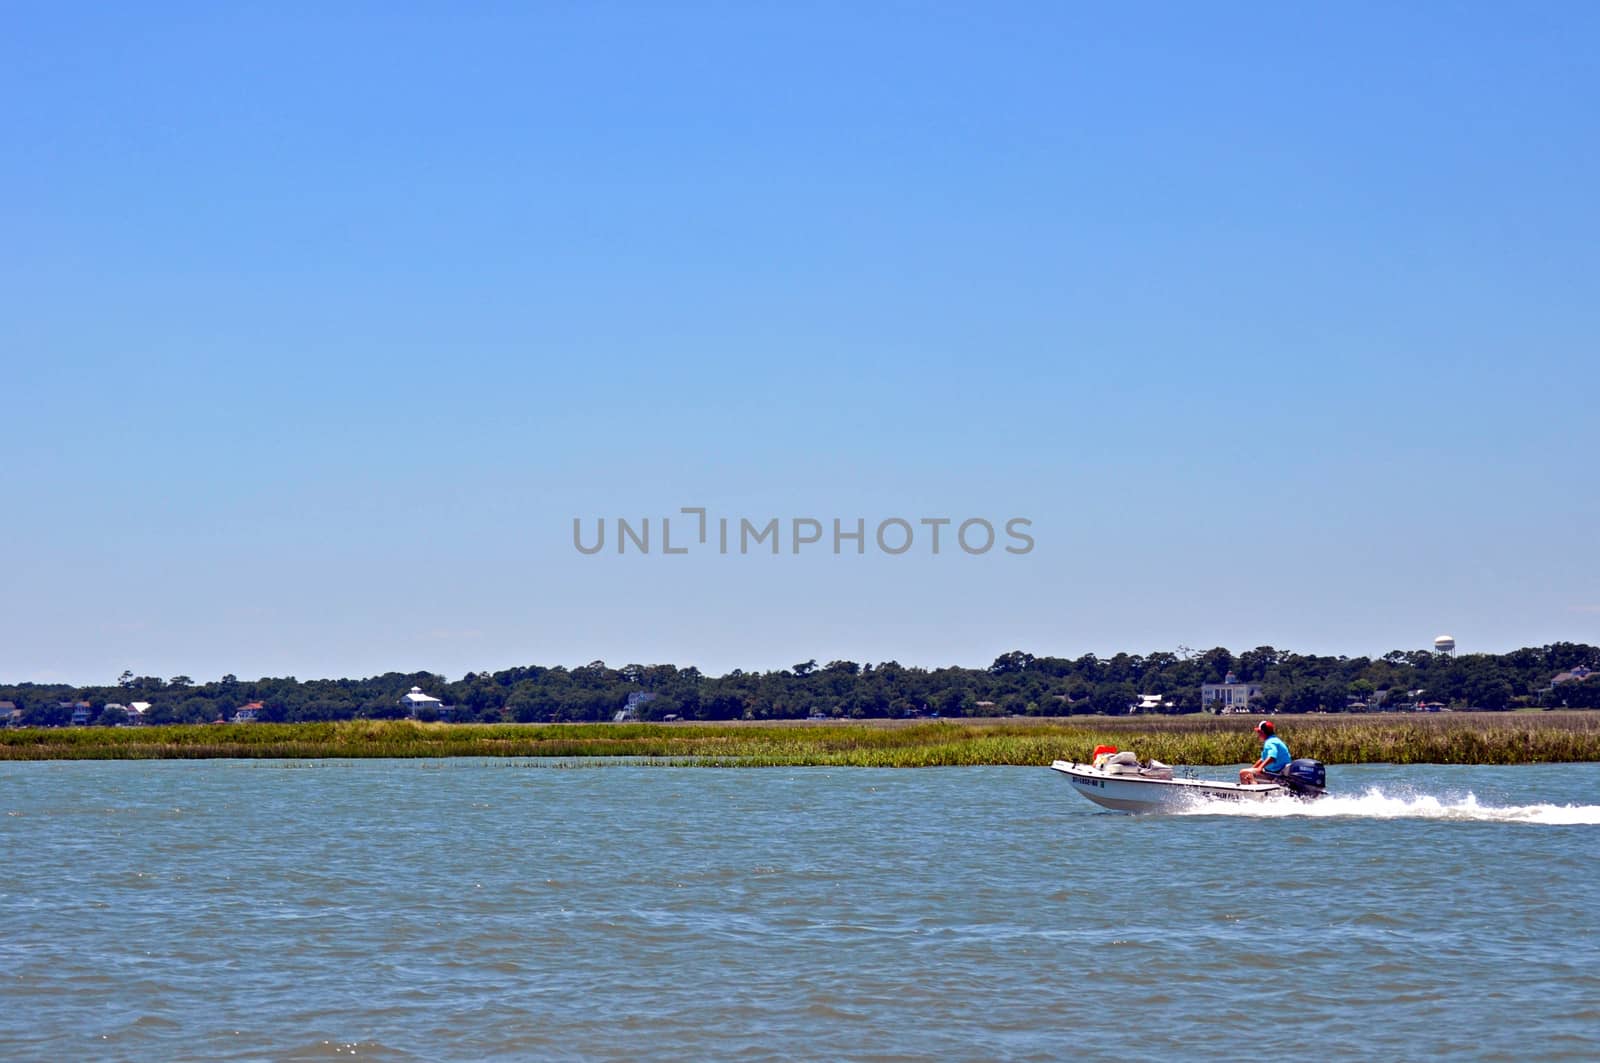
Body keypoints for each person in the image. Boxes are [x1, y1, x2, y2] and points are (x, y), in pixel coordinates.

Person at [1239, 719, 1291, 783]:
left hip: (1276, 774)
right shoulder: (1275, 740)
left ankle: (1254, 791)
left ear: (1262, 732)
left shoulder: (1269, 742)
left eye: (1258, 732)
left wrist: (1260, 768)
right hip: (1278, 772)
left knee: (1243, 773)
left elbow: (1272, 757)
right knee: (1249, 772)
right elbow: (1263, 759)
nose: (1258, 735)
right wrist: (1252, 768)